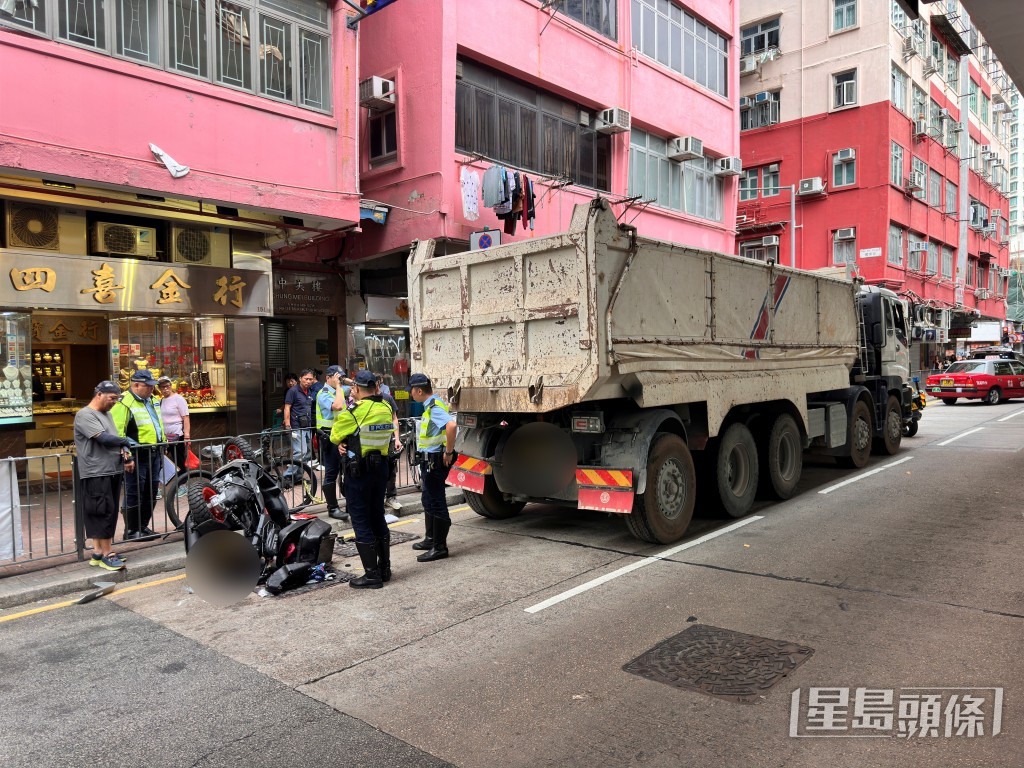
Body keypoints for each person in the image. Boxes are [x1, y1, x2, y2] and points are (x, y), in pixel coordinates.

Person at [330, 369, 396, 589]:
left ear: (356, 389)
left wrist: (343, 441)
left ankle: (371, 575)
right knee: (377, 515)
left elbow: (335, 435)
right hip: (381, 471)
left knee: (360, 519)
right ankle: (385, 568)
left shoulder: (354, 411)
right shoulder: (386, 407)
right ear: (376, 387)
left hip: (359, 473)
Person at [74, 381, 137, 571]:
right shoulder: (85, 415)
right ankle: (107, 553)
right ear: (99, 394)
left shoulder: (107, 414)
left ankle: (98, 552)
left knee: (107, 510)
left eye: (116, 399)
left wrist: (127, 452)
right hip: (96, 471)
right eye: (112, 398)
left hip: (112, 469)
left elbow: (116, 439)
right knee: (101, 510)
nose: (114, 403)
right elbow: (103, 439)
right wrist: (126, 441)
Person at [111, 369, 165, 541]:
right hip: (137, 454)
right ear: (135, 385)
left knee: (151, 490)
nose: (151, 389)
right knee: (135, 491)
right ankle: (132, 530)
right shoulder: (124, 403)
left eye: (152, 386)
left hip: (154, 452)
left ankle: (142, 526)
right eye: (147, 386)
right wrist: (127, 456)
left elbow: (158, 425)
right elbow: (118, 432)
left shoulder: (153, 400)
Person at [408, 372, 457, 562]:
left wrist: (449, 452)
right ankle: (431, 539)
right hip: (430, 459)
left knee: (436, 501)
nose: (411, 394)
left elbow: (451, 426)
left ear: (419, 390)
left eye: (412, 390)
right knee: (428, 498)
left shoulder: (435, 407)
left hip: (435, 460)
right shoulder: (431, 406)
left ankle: (440, 547)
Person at [316, 365, 350, 521]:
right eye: (336, 377)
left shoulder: (339, 391)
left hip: (342, 436)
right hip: (329, 438)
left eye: (340, 377)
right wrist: (338, 386)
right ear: (328, 378)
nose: (339, 380)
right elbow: (337, 406)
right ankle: (333, 508)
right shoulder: (323, 394)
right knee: (332, 472)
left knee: (348, 470)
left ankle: (350, 503)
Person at [376, 372, 403, 515]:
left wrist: (396, 438)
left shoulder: (387, 398)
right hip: (372, 444)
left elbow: (394, 419)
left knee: (391, 470)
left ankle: (391, 497)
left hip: (388, 441)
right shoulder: (362, 400)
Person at [283, 368, 316, 477]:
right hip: (296, 426)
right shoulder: (292, 391)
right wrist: (288, 425)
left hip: (307, 426)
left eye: (310, 379)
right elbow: (287, 408)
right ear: (300, 378)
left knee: (307, 453)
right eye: (306, 379)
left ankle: (298, 476)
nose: (308, 381)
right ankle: (287, 476)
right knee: (300, 452)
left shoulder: (310, 391)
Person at [157, 376, 190, 472]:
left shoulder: (178, 399)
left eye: (167, 386)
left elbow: (186, 417)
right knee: (169, 463)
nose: (165, 388)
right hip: (166, 437)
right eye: (162, 387)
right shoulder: (161, 401)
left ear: (171, 386)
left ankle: (183, 483)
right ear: (159, 389)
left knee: (179, 461)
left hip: (177, 435)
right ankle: (177, 483)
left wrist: (187, 436)